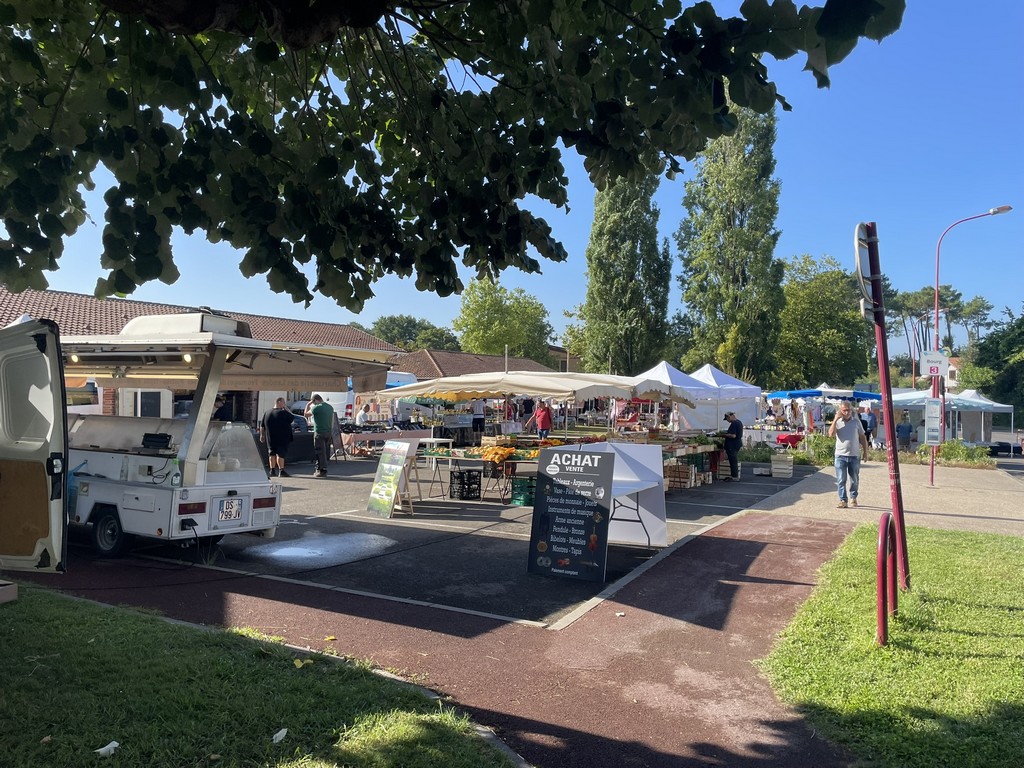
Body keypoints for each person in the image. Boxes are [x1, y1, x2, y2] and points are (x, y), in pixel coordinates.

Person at [828, 400, 869, 508]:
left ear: (851, 410)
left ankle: (853, 497)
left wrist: (865, 452)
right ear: (840, 411)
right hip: (840, 456)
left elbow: (862, 437)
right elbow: (830, 435)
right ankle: (843, 500)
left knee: (854, 479)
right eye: (844, 410)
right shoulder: (837, 422)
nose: (846, 413)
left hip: (854, 455)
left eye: (848, 410)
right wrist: (835, 419)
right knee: (841, 479)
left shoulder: (856, 422)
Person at [259, 397, 294, 477]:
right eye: (283, 402)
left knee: (271, 453)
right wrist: (286, 409)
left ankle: (272, 470)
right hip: (282, 437)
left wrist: (262, 435)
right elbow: (292, 418)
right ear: (279, 402)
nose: (284, 404)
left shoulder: (267, 412)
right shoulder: (283, 413)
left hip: (270, 437)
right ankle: (281, 470)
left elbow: (262, 426)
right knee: (280, 454)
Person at [304, 394, 335, 477]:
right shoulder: (330, 407)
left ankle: (322, 470)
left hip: (319, 432)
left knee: (319, 452)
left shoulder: (316, 407)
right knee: (325, 451)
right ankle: (321, 468)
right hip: (328, 431)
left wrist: (308, 404)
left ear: (315, 400)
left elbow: (306, 414)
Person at [722, 411, 743, 482]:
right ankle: (734, 475)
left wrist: (724, 435)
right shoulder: (739, 422)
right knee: (733, 460)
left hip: (733, 445)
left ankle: (734, 476)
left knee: (733, 461)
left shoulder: (734, 423)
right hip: (736, 444)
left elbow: (733, 435)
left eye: (727, 418)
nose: (727, 421)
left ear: (729, 416)